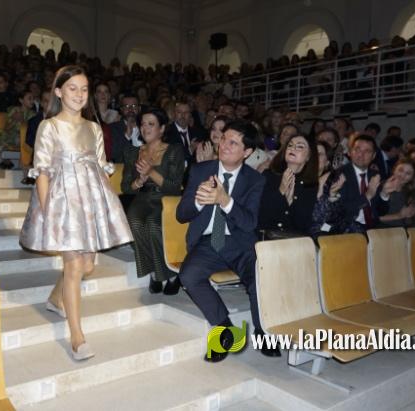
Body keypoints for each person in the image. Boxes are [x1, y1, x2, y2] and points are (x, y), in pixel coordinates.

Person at [19, 65, 133, 361]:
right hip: (62, 201)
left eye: (84, 89)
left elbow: (102, 168)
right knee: (73, 266)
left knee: (87, 266)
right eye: (72, 88)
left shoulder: (93, 128)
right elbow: (42, 171)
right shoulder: (49, 126)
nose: (79, 94)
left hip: (89, 201)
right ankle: (77, 337)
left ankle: (55, 298)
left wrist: (106, 206)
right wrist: (48, 211)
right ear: (58, 91)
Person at [177, 120, 280, 362]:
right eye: (224, 139)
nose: (224, 145)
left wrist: (225, 201)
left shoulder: (255, 180)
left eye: (233, 143)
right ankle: (225, 330)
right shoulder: (200, 170)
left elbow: (250, 222)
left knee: (259, 276)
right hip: (208, 242)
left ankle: (262, 331)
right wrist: (199, 200)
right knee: (189, 276)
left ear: (247, 152)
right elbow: (181, 214)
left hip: (239, 242)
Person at [121, 108, 184, 295]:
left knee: (153, 225)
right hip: (143, 197)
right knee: (134, 223)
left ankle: (170, 274)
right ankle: (155, 273)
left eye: (151, 124)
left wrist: (151, 172)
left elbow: (174, 187)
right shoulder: (133, 152)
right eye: (142, 124)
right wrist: (139, 181)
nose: (145, 128)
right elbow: (125, 187)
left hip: (166, 199)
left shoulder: (173, 151)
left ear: (162, 128)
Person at [257, 133, 319, 237]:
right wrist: (281, 192)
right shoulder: (269, 175)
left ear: (308, 156)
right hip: (267, 238)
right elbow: (262, 216)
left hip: (294, 240)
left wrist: (289, 204)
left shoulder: (310, 185)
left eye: (299, 146)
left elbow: (303, 224)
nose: (292, 148)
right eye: (290, 145)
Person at [0, 89, 36, 169]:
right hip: (11, 133)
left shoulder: (33, 114)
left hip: (23, 136)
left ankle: (15, 160)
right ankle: (6, 159)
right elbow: (7, 127)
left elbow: (29, 129)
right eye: (29, 98)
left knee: (22, 139)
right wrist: (14, 119)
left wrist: (22, 120)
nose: (32, 101)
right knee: (4, 136)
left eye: (33, 98)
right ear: (21, 100)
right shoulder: (14, 110)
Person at [378, 159, 415, 227]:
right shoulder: (381, 186)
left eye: (408, 173)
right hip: (382, 229)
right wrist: (399, 215)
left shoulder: (409, 190)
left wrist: (411, 213)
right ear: (394, 169)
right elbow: (373, 217)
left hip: (403, 229)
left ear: (412, 177)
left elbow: (408, 220)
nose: (402, 175)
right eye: (400, 170)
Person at [109, 93, 142, 163]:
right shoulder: (113, 128)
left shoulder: (145, 127)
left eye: (134, 106)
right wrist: (126, 136)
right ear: (121, 109)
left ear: (139, 108)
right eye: (126, 106)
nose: (130, 109)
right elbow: (113, 155)